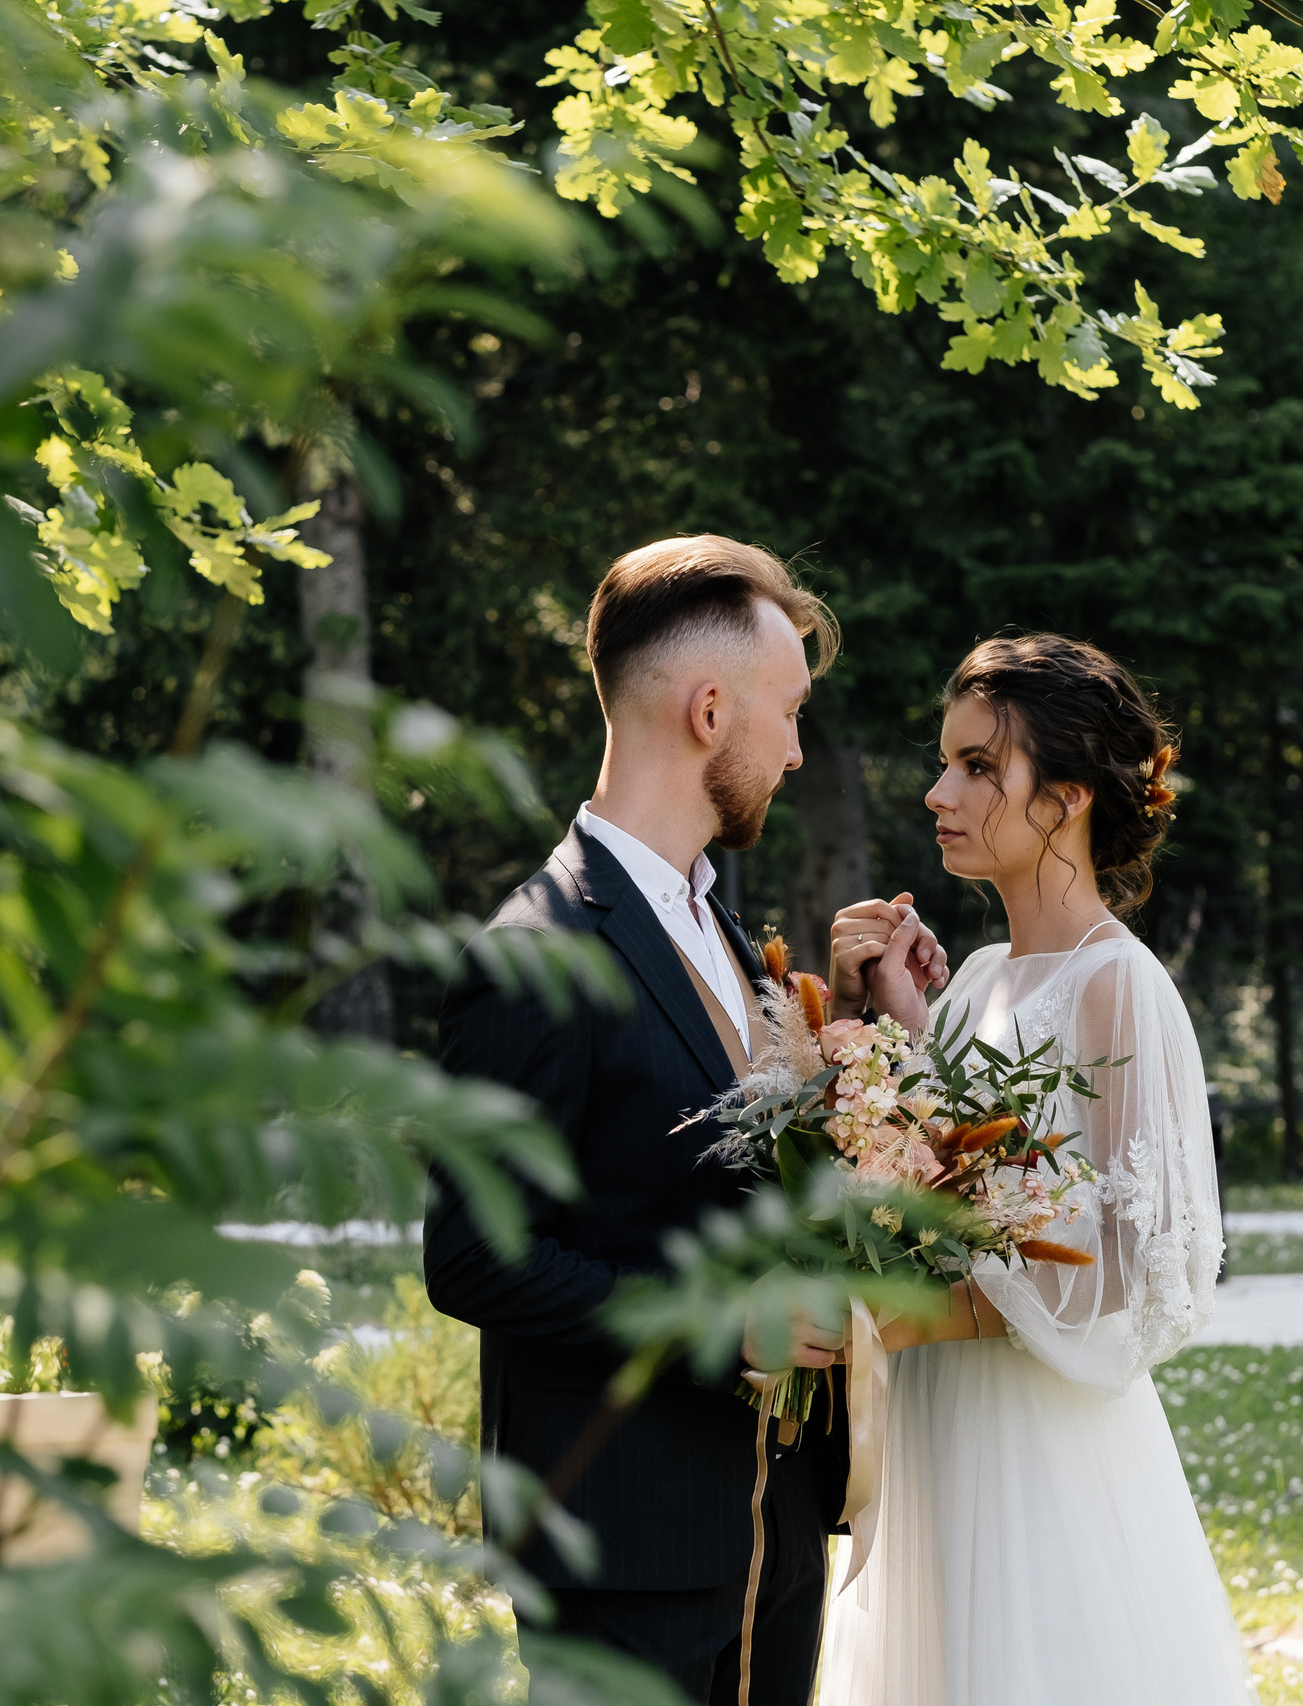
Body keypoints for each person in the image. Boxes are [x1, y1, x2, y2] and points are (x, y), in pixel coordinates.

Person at [424, 535, 947, 1705]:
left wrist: (853, 1039)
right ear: (711, 711)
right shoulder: (533, 953)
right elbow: (470, 1258)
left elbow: (713, 1169)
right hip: (623, 1547)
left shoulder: (720, 926)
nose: (798, 750)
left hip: (770, 1529)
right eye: (790, 712)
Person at [816, 634, 1252, 1706]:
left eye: (976, 768)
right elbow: (932, 1173)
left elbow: (1144, 1264)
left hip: (1039, 1441)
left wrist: (929, 1311)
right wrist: (885, 1030)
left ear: (1062, 799)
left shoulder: (1121, 987)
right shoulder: (971, 980)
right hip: (934, 1425)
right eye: (945, 762)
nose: (937, 792)